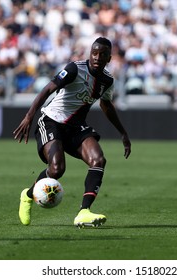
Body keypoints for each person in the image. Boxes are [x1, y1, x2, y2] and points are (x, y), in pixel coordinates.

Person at [13, 37, 131, 228]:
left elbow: (106, 105)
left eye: (102, 54)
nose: (97, 57)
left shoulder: (107, 80)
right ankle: (27, 196)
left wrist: (123, 133)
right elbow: (47, 89)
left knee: (98, 160)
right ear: (90, 53)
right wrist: (29, 116)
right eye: (94, 52)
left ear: (109, 58)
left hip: (76, 127)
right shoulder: (75, 69)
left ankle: (84, 212)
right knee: (57, 170)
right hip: (51, 121)